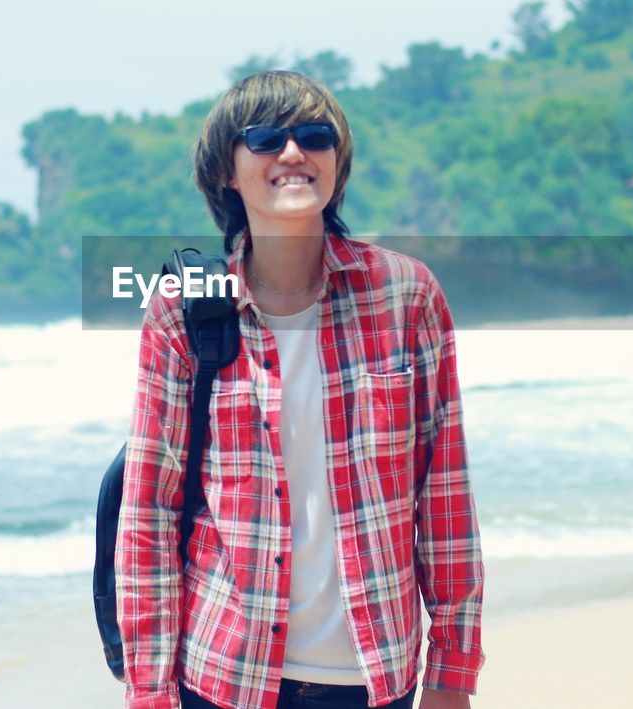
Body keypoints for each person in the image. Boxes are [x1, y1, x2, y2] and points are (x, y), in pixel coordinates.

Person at [115, 70, 484, 709]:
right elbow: (149, 514)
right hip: (225, 679)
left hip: (376, 678)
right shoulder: (182, 312)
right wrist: (150, 695)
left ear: (336, 163)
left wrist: (452, 675)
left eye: (314, 136)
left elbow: (444, 494)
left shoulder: (406, 296)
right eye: (264, 139)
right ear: (227, 171)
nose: (293, 153)